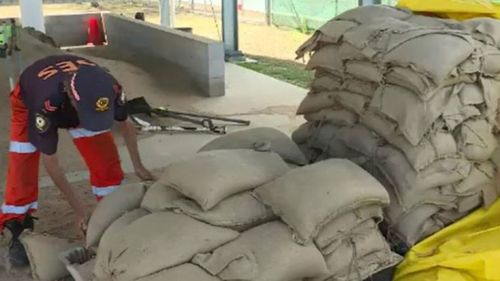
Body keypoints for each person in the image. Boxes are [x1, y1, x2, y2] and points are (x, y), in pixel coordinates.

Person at [0, 54, 155, 266]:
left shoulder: (111, 87)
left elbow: (125, 123)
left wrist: (139, 165)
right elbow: (51, 163)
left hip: (81, 101)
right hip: (30, 97)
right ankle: (17, 224)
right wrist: (79, 211)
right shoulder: (46, 104)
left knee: (105, 159)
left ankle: (111, 212)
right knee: (23, 158)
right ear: (72, 100)